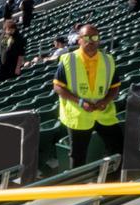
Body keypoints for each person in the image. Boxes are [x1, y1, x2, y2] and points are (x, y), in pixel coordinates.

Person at [53, 24, 123, 168]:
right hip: (79, 115)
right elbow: (58, 87)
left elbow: (115, 88)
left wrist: (106, 100)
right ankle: (78, 189)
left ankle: (113, 184)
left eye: (95, 37)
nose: (91, 41)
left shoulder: (108, 59)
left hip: (104, 114)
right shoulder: (68, 59)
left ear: (99, 40)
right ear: (79, 39)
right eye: (86, 37)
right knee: (78, 155)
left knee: (119, 147)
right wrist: (80, 102)